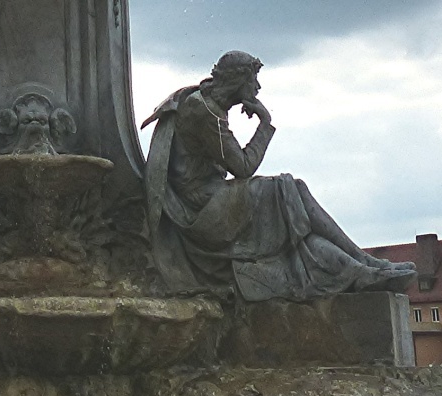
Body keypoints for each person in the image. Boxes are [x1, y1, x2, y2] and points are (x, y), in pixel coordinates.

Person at [141, 50, 415, 301]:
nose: (257, 88)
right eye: (253, 80)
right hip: (201, 209)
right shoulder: (204, 111)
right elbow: (244, 168)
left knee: (295, 192)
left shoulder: (208, 104)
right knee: (285, 187)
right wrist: (265, 122)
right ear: (238, 80)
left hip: (213, 197)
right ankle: (364, 265)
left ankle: (364, 266)